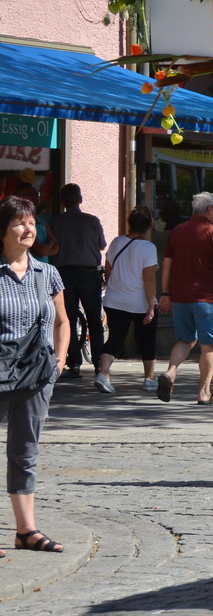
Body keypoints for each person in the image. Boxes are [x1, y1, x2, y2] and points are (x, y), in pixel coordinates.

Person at [1, 196, 72, 554]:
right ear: (3, 231)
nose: (29, 229)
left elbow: (62, 322)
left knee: (25, 452)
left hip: (36, 376)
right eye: (19, 223)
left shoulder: (48, 273)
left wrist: (58, 364)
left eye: (32, 222)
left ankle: (26, 531)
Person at [156, 192, 213, 405]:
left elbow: (167, 265)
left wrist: (165, 293)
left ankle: (170, 372)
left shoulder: (177, 231)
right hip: (204, 298)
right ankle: (204, 392)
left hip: (179, 297)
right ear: (210, 209)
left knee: (185, 339)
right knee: (209, 345)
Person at [95, 207, 160, 395]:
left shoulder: (116, 242)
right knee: (146, 340)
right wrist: (150, 305)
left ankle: (104, 374)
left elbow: (108, 271)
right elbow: (148, 279)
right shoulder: (148, 248)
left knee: (115, 338)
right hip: (139, 301)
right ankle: (149, 379)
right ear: (148, 226)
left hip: (115, 299)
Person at [45, 184, 104, 380]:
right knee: (94, 318)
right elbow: (102, 245)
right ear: (80, 198)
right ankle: (98, 362)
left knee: (66, 319)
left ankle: (74, 361)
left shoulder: (56, 222)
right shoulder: (92, 221)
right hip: (88, 272)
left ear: (62, 201)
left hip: (64, 273)